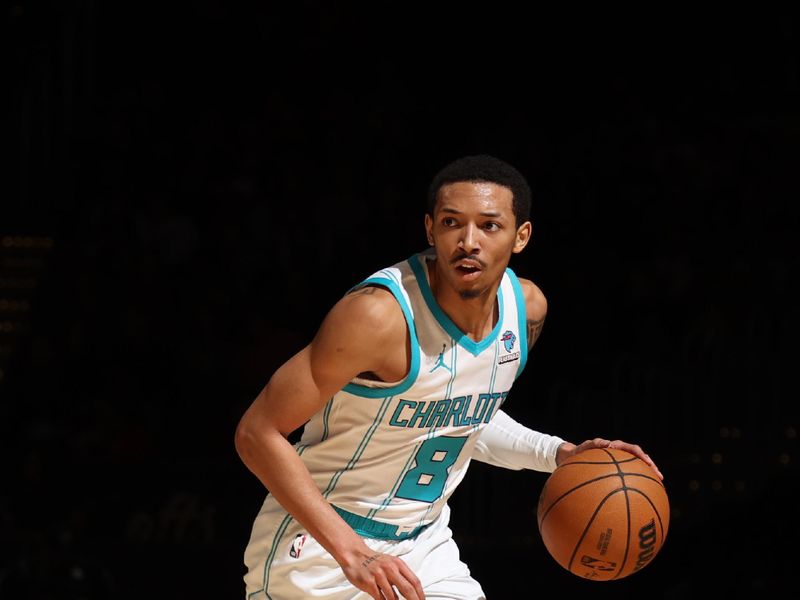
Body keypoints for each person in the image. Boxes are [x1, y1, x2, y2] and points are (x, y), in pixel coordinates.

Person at [235, 154, 663, 599]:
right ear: (430, 230)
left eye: (489, 226)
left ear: (521, 236)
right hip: (320, 548)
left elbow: (460, 416)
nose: (468, 241)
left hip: (423, 545)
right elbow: (256, 432)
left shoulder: (525, 311)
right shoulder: (377, 317)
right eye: (452, 222)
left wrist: (561, 453)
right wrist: (354, 553)